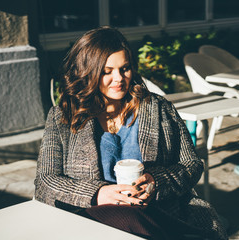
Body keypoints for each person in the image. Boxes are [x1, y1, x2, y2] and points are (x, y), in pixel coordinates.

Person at [34, 26, 228, 240]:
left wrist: (156, 181)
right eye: (107, 71)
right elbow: (45, 180)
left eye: (124, 69)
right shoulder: (63, 116)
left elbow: (191, 164)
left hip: (157, 213)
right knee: (130, 219)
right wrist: (97, 194)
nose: (118, 78)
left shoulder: (158, 108)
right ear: (88, 72)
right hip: (92, 219)